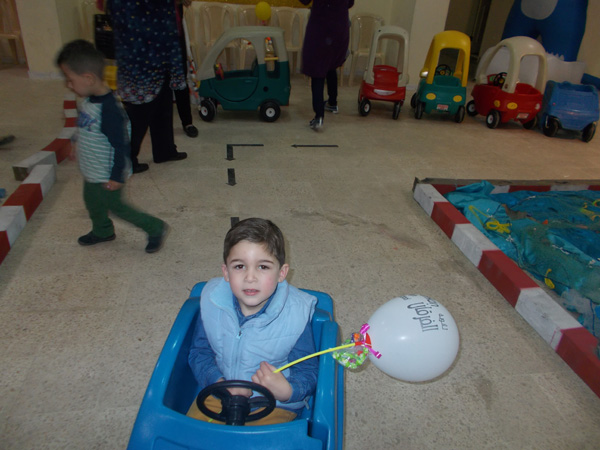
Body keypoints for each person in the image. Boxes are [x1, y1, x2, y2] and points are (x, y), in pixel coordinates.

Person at [187, 218, 318, 425]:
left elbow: (308, 370)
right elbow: (199, 352)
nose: (250, 277)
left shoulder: (296, 314)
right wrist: (219, 382)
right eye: (239, 266)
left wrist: (288, 391)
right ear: (226, 272)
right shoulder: (211, 301)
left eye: (263, 267)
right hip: (219, 392)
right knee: (192, 435)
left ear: (282, 273)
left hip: (273, 403)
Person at [56, 39, 169, 253]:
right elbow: (85, 127)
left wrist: (116, 176)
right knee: (92, 202)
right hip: (92, 170)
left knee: (117, 207)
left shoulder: (110, 111)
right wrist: (75, 143)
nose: (68, 85)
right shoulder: (89, 100)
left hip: (107, 173)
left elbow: (121, 146)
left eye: (70, 80)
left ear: (88, 78)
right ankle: (103, 231)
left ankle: (155, 227)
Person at [103, 0, 188, 173]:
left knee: (162, 103)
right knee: (139, 112)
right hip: (142, 55)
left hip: (153, 50)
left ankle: (164, 150)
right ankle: (125, 159)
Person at [300, 0, 354, 131]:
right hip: (340, 29)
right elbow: (350, 3)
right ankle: (332, 102)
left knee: (317, 70)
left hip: (321, 28)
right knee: (330, 65)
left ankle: (319, 116)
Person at [174, 0, 199, 138]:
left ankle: (187, 122)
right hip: (157, 38)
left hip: (177, 35)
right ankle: (162, 131)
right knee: (162, 88)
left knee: (181, 81)